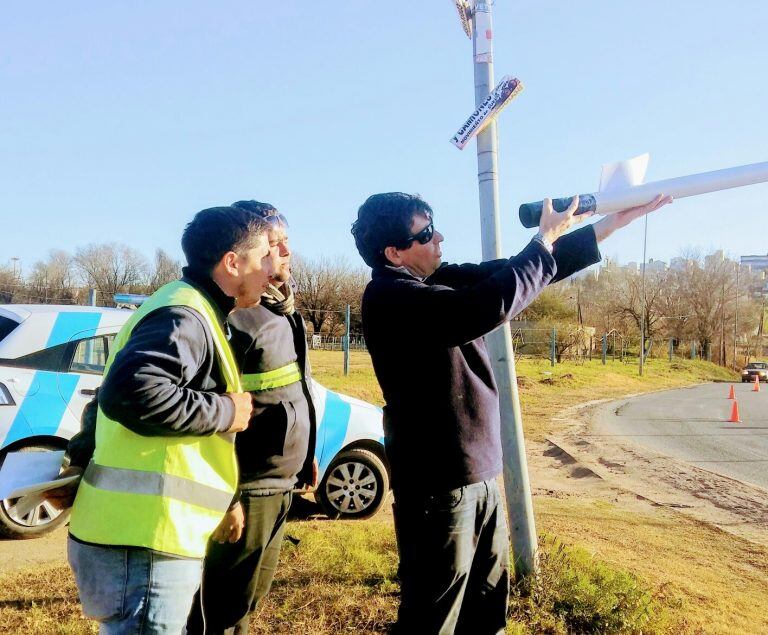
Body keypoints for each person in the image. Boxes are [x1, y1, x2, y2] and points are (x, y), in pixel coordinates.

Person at [351, 192, 672, 634]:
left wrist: (608, 226)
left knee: (486, 607)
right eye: (426, 234)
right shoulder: (390, 297)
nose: (439, 237)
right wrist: (542, 239)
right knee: (434, 618)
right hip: (437, 489)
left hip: (479, 476)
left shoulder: (435, 280)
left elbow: (511, 272)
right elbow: (489, 304)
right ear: (393, 253)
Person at [62, 206, 274, 634]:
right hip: (145, 543)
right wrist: (228, 411)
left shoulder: (185, 306)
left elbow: (106, 398)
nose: (274, 268)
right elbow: (133, 393)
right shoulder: (184, 314)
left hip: (140, 537)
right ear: (232, 263)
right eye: (265, 255)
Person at [185, 200, 318, 634]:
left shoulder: (282, 307)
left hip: (281, 478)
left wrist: (307, 451)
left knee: (247, 601)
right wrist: (229, 498)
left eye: (285, 243)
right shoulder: (236, 314)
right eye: (273, 246)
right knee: (221, 608)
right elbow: (210, 409)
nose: (284, 254)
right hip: (248, 484)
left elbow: (291, 390)